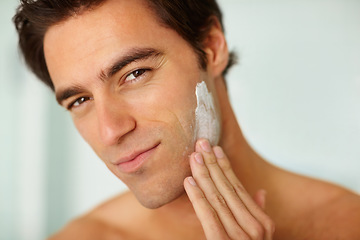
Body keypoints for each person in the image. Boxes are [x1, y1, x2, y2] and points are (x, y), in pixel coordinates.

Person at [13, 0, 360, 239]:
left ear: (211, 48)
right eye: (80, 100)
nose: (110, 131)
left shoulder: (347, 224)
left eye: (134, 74)